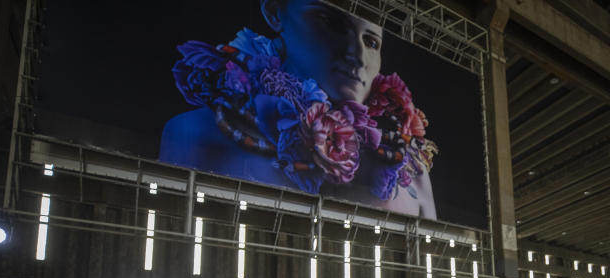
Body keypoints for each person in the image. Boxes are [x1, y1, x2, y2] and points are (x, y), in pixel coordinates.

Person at [160, 0, 437, 219]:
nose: (357, 55)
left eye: (371, 42)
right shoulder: (196, 133)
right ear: (274, 12)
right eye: (330, 22)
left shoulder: (413, 172)